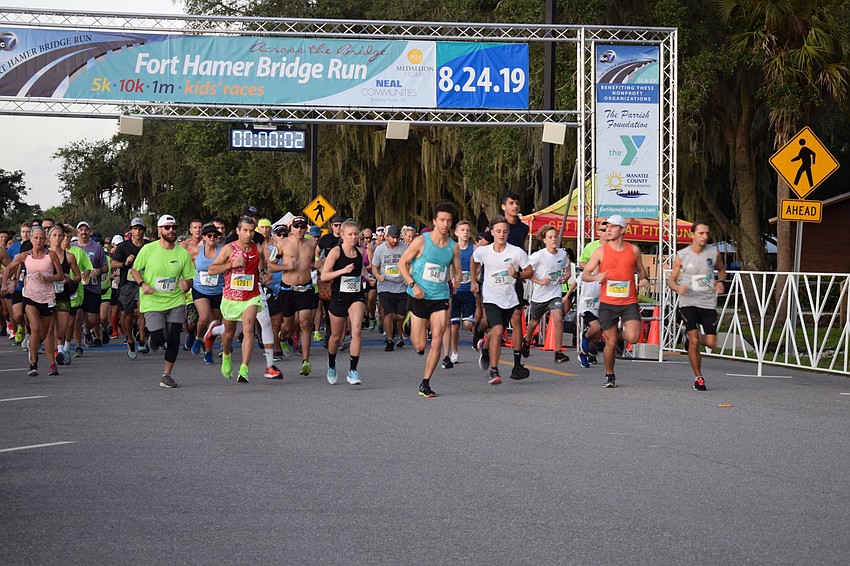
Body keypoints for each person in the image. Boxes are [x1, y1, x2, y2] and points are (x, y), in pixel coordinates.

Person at [398, 203, 462, 398]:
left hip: (440, 296)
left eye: (449, 220)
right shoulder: (421, 241)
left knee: (437, 338)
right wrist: (412, 284)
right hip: (419, 295)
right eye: (442, 220)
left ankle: (425, 383)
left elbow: (456, 269)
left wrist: (457, 278)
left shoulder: (453, 247)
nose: (445, 224)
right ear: (434, 221)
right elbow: (402, 263)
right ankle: (410, 324)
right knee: (419, 345)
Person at [581, 214, 651, 388]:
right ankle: (610, 374)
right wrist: (596, 276)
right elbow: (585, 274)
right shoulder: (600, 251)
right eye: (606, 227)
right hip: (608, 303)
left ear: (622, 229)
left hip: (628, 301)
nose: (608, 230)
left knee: (633, 337)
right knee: (610, 343)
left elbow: (641, 271)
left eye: (612, 227)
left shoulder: (633, 250)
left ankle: (615, 334)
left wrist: (644, 279)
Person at [130, 215, 196, 388]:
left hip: (175, 301)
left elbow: (189, 278)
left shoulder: (182, 253)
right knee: (160, 338)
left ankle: (166, 375)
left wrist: (186, 284)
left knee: (174, 339)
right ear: (159, 230)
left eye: (174, 227)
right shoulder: (148, 249)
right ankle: (153, 340)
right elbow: (135, 269)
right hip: (153, 301)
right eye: (167, 227)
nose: (171, 230)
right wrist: (142, 284)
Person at [470, 216, 532, 385]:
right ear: (492, 232)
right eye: (498, 231)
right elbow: (473, 260)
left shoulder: (516, 252)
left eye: (505, 231)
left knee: (497, 332)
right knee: (497, 330)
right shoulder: (484, 251)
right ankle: (494, 370)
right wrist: (474, 281)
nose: (502, 234)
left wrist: (517, 274)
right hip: (490, 297)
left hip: (509, 299)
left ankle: (485, 347)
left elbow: (529, 271)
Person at [207, 216, 266, 383]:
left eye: (251, 231)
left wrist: (262, 274)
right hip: (231, 297)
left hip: (251, 296)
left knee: (248, 328)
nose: (248, 234)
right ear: (238, 231)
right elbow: (212, 270)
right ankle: (226, 354)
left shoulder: (258, 249)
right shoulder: (229, 249)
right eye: (245, 230)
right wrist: (231, 265)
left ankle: (244, 368)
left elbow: (262, 265)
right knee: (228, 334)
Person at [668, 221, 726, 391]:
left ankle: (690, 339)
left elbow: (722, 270)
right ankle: (698, 377)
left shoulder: (713, 252)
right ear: (692, 235)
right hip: (688, 302)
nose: (704, 236)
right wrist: (678, 287)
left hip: (707, 303)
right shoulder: (682, 255)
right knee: (694, 340)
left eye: (707, 233)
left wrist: (720, 282)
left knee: (711, 343)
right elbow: (672, 280)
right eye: (700, 233)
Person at [2, 226, 64, 376]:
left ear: (46, 240)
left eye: (41, 238)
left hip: (48, 297)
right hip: (30, 296)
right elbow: (8, 268)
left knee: (44, 333)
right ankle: (33, 364)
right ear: (31, 239)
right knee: (34, 327)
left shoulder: (51, 255)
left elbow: (60, 276)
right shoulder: (25, 256)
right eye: (36, 238)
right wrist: (4, 284)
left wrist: (48, 278)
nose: (38, 241)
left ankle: (43, 356)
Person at [270, 215, 319, 377]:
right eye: (296, 226)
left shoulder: (312, 244)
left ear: (306, 229)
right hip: (287, 289)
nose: (299, 229)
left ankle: (305, 360)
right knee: (289, 325)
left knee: (305, 323)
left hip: (305, 287)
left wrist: (316, 265)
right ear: (291, 228)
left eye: (302, 226)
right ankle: (283, 337)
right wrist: (286, 265)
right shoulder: (282, 244)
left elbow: (311, 263)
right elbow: (271, 266)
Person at [320, 220, 368, 386]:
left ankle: (353, 371)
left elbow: (362, 270)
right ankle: (331, 364)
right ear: (342, 235)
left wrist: (369, 277)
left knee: (356, 331)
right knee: (336, 337)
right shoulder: (336, 252)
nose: (354, 237)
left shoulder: (360, 251)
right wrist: (342, 271)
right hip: (339, 296)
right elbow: (324, 276)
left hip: (356, 296)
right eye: (350, 234)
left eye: (356, 234)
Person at [523, 225, 570, 364]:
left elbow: (568, 269)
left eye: (555, 236)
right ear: (544, 240)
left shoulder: (562, 254)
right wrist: (538, 280)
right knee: (533, 323)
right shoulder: (538, 256)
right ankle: (527, 341)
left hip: (554, 292)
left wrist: (566, 277)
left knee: (558, 317)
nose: (554, 239)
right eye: (550, 237)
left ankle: (558, 352)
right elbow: (525, 272)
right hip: (539, 295)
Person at [111, 217, 149, 360]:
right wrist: (124, 263)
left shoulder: (148, 246)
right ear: (131, 231)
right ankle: (130, 339)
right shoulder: (124, 247)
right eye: (135, 229)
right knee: (127, 315)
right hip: (127, 284)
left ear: (143, 231)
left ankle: (142, 339)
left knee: (142, 311)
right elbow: (112, 264)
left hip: (144, 283)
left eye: (140, 229)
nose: (137, 232)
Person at [189, 223, 225, 365]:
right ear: (204, 237)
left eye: (215, 236)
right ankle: (198, 339)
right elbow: (184, 263)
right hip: (200, 289)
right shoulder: (196, 251)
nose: (212, 238)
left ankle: (208, 352)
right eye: (209, 236)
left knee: (214, 325)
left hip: (217, 291)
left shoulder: (222, 251)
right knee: (204, 317)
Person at [371, 224, 409, 351]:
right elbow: (374, 266)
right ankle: (389, 340)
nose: (395, 240)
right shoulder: (380, 249)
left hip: (401, 286)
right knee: (387, 313)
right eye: (392, 238)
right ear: (386, 237)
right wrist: (377, 275)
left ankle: (391, 325)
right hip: (385, 286)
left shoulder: (405, 247)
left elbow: (412, 263)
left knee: (401, 315)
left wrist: (408, 276)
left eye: (397, 238)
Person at [72, 221, 109, 350]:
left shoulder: (96, 247)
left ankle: (87, 330)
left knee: (93, 319)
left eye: (86, 230)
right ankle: (78, 346)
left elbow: (105, 266)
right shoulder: (72, 247)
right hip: (77, 288)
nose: (83, 232)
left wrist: (98, 270)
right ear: (77, 233)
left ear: (90, 232)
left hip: (92, 287)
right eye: (81, 230)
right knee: (77, 316)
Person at [48, 226, 81, 366]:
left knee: (62, 327)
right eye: (54, 235)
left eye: (60, 235)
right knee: (49, 326)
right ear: (49, 238)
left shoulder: (69, 256)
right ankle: (58, 351)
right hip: (47, 295)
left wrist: (70, 279)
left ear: (63, 238)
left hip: (63, 294)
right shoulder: (44, 256)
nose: (57, 238)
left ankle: (60, 347)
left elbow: (79, 277)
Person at [448, 220, 476, 365]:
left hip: (469, 291)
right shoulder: (452, 248)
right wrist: (451, 279)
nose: (465, 232)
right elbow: (448, 265)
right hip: (455, 291)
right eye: (462, 230)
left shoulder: (475, 248)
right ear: (456, 232)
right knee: (454, 324)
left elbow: (480, 265)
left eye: (467, 230)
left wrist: (476, 278)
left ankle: (477, 336)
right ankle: (454, 352)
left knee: (467, 323)